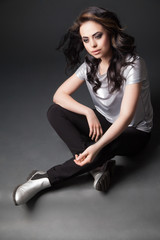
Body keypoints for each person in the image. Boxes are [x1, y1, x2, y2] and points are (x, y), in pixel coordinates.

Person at [13, 6, 153, 206]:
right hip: (105, 122)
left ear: (111, 33)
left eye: (98, 36)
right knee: (55, 113)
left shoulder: (133, 64)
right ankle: (97, 168)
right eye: (86, 40)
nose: (92, 45)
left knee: (106, 145)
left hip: (134, 131)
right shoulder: (89, 65)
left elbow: (125, 116)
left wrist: (97, 146)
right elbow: (59, 96)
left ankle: (43, 180)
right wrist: (88, 111)